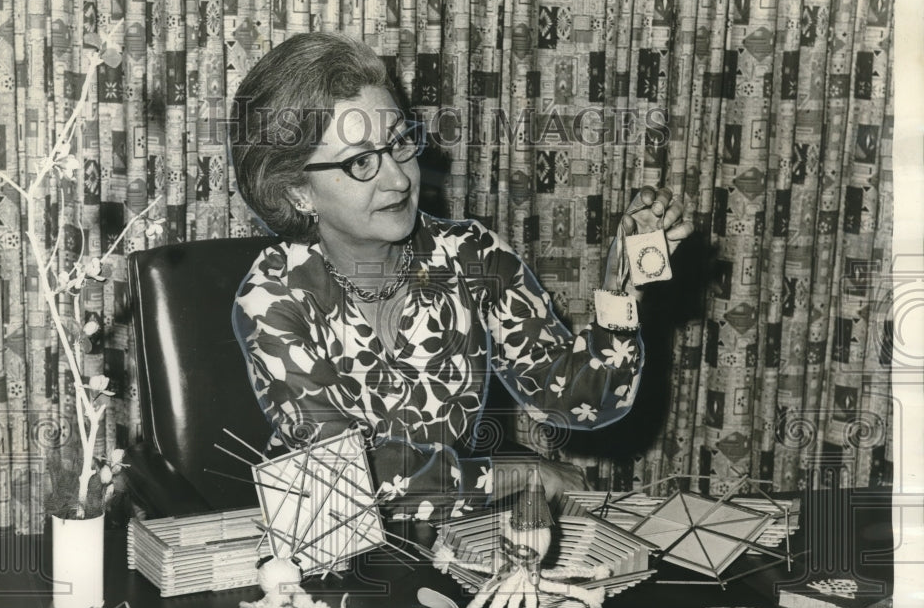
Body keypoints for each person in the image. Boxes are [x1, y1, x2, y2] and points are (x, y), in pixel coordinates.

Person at [230, 32, 692, 523]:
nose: (401, 179)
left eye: (399, 144)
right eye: (362, 161)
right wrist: (523, 475)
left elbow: (576, 403)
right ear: (297, 191)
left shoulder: (472, 257)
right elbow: (346, 477)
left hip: (458, 539)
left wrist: (622, 289)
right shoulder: (275, 298)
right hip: (330, 551)